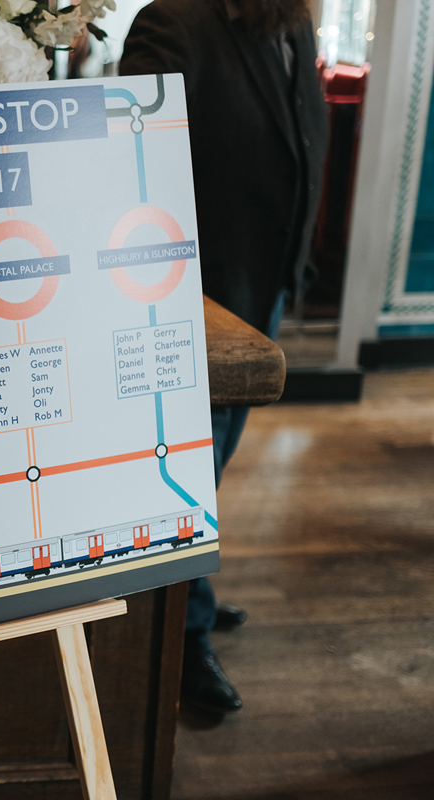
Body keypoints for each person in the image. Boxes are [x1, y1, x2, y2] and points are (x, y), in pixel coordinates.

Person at [121, 0, 328, 715]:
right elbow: (130, 167)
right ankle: (184, 638)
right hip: (196, 304)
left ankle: (191, 595)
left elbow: (300, 142)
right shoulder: (172, 23)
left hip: (264, 284)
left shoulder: (292, 22)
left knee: (213, 465)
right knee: (189, 473)